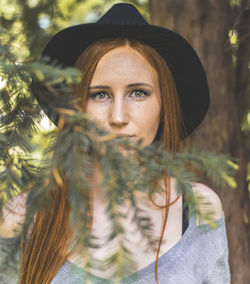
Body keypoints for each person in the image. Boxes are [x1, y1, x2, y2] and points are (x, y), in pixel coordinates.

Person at [0, 3, 230, 284]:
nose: (118, 117)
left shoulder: (198, 210)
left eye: (138, 93)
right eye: (99, 95)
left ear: (164, 106)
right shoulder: (22, 217)